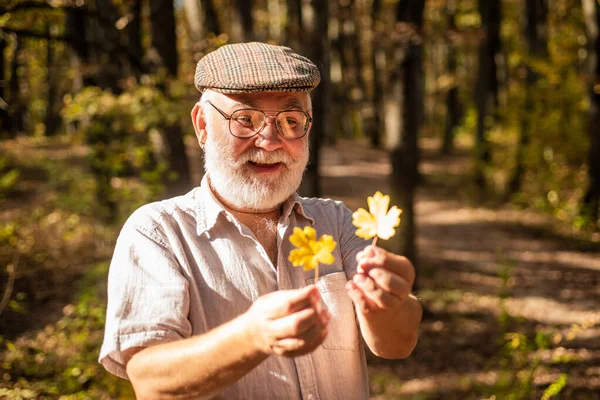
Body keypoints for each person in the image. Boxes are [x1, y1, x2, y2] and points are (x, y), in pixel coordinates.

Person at [99, 42, 422, 399]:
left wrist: (395, 301)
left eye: (291, 121)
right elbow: (150, 381)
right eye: (246, 120)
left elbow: (396, 345)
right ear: (203, 125)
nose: (269, 141)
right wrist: (252, 338)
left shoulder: (336, 221)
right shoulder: (158, 233)